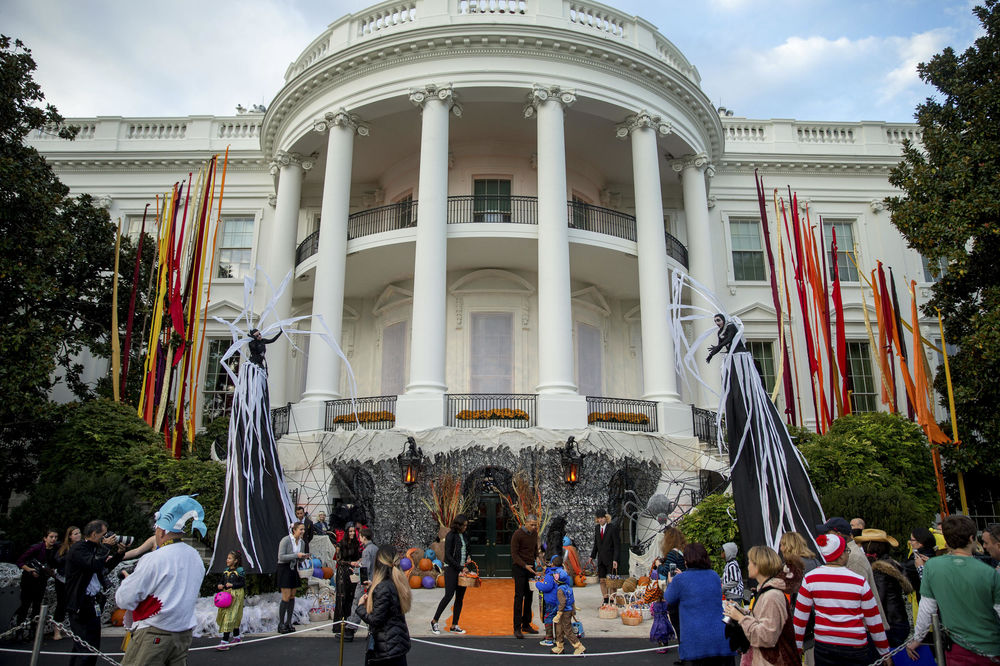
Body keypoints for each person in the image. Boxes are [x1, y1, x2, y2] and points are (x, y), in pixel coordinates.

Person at [116, 495, 207, 665]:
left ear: (162, 531)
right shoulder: (194, 556)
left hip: (155, 630)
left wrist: (127, 582)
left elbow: (125, 599)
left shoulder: (155, 558)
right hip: (183, 631)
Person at [906, 514, 1000, 665]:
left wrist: (917, 638)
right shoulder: (989, 571)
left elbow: (927, 607)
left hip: (957, 648)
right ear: (972, 538)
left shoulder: (932, 567)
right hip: (991, 648)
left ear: (947, 540)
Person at [792, 533, 888, 666]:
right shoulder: (859, 581)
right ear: (841, 555)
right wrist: (884, 651)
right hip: (855, 645)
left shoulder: (810, 579)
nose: (848, 554)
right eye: (846, 551)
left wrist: (796, 648)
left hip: (824, 645)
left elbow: (799, 619)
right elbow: (874, 621)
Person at [664, 542, 736, 666]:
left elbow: (669, 598)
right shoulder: (713, 575)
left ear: (686, 560)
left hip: (695, 643)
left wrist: (671, 582)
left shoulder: (680, 580)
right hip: (721, 638)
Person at [724, 545, 797, 666]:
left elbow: (766, 637)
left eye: (750, 562)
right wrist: (740, 611)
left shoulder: (771, 595)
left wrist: (741, 618)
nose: (748, 566)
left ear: (758, 566)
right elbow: (762, 619)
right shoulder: (765, 591)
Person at [66, 520, 126, 666]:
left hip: (93, 603)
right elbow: (93, 564)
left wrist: (119, 554)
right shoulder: (79, 549)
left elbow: (102, 568)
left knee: (92, 645)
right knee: (84, 647)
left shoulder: (95, 549)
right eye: (104, 534)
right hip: (80, 603)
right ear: (94, 534)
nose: (107, 537)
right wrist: (105, 547)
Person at [816, 517, 887, 628]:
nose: (825, 537)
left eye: (827, 533)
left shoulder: (853, 558)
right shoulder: (847, 554)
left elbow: (855, 598)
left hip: (862, 628)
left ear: (838, 534)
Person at [356, 545, 412, 665]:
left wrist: (360, 607)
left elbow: (376, 620)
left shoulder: (383, 587)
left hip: (385, 649)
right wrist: (373, 588)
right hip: (397, 644)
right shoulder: (398, 582)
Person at [855, 529, 911, 648]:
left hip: (890, 623)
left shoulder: (879, 570)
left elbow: (877, 598)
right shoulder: (891, 563)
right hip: (899, 620)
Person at [431, 513, 473, 635]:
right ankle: (435, 620)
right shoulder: (450, 536)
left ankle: (454, 625)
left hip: (462, 568)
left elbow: (467, 549)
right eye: (464, 526)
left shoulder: (465, 535)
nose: (465, 528)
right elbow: (448, 556)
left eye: (466, 526)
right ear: (458, 525)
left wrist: (469, 558)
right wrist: (460, 567)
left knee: (460, 598)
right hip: (451, 569)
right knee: (448, 595)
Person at [14, 528, 59, 640]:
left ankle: (33, 632)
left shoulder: (55, 550)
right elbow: (20, 561)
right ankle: (19, 632)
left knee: (37, 606)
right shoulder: (36, 548)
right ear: (45, 538)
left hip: (42, 580)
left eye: (55, 537)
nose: (53, 539)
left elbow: (54, 563)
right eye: (51, 537)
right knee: (25, 605)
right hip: (29, 580)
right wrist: (30, 570)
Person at [345, 525, 378, 642]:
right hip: (375, 580)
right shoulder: (375, 548)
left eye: (360, 536)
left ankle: (350, 629)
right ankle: (372, 631)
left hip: (365, 582)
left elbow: (366, 568)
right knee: (372, 606)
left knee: (357, 602)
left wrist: (362, 581)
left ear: (363, 537)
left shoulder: (366, 551)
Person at [276, 521, 309, 633]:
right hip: (284, 568)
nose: (302, 531)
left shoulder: (302, 543)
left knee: (292, 596)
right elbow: (281, 556)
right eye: (301, 529)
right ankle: (281, 623)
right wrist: (296, 555)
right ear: (294, 530)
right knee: (285, 596)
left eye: (303, 529)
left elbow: (299, 558)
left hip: (293, 568)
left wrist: (303, 557)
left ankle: (288, 622)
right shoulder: (286, 540)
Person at [511, 514, 540, 639]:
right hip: (519, 568)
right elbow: (514, 554)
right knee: (519, 597)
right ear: (526, 523)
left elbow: (534, 549)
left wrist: (537, 558)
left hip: (531, 568)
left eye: (535, 525)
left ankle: (526, 624)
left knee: (529, 596)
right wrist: (524, 565)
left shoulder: (534, 534)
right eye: (532, 524)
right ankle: (517, 627)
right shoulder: (517, 534)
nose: (534, 527)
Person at [53, 526, 82, 640]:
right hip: (63, 579)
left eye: (79, 533)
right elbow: (57, 560)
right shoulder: (64, 547)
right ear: (69, 536)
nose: (78, 535)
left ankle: (76, 629)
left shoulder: (83, 546)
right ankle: (57, 631)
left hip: (76, 579)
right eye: (75, 534)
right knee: (62, 604)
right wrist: (70, 554)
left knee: (76, 604)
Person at [535, 555, 570, 647]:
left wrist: (538, 584)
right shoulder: (563, 573)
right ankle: (559, 639)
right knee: (558, 619)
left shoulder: (550, 574)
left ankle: (549, 638)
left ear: (552, 564)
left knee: (549, 618)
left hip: (550, 600)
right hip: (561, 601)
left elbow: (547, 587)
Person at [215, 551, 246, 651]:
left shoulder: (240, 571)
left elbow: (242, 583)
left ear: (236, 560)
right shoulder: (226, 570)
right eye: (227, 558)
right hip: (226, 595)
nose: (227, 560)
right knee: (229, 614)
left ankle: (224, 641)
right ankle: (236, 637)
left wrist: (233, 585)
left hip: (236, 595)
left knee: (231, 615)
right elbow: (222, 581)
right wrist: (220, 585)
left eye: (229, 558)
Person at [333, 523, 360, 635]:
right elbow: (338, 560)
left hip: (352, 571)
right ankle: (339, 624)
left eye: (353, 531)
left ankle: (348, 622)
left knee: (351, 596)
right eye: (350, 531)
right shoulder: (340, 544)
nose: (352, 533)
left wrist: (357, 563)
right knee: (341, 597)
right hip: (342, 572)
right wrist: (350, 563)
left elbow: (357, 556)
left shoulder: (356, 543)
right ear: (346, 532)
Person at [551, 567, 585, 655]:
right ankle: (559, 646)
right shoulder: (568, 588)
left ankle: (579, 646)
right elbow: (572, 600)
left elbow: (562, 603)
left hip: (564, 612)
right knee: (559, 628)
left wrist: (559, 613)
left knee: (567, 629)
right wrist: (573, 610)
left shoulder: (560, 590)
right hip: (568, 611)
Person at [589, 510, 620, 603]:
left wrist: (615, 559)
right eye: (599, 518)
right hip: (601, 559)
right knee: (602, 580)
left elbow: (617, 545)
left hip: (611, 559)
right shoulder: (597, 528)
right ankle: (605, 600)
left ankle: (611, 601)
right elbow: (596, 544)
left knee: (611, 582)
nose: (601, 520)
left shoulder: (612, 528)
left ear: (606, 518)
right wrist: (592, 556)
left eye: (602, 518)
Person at [778, 531, 820, 596]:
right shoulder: (815, 561)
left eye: (781, 545)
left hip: (800, 603)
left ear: (787, 547)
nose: (780, 548)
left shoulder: (789, 566)